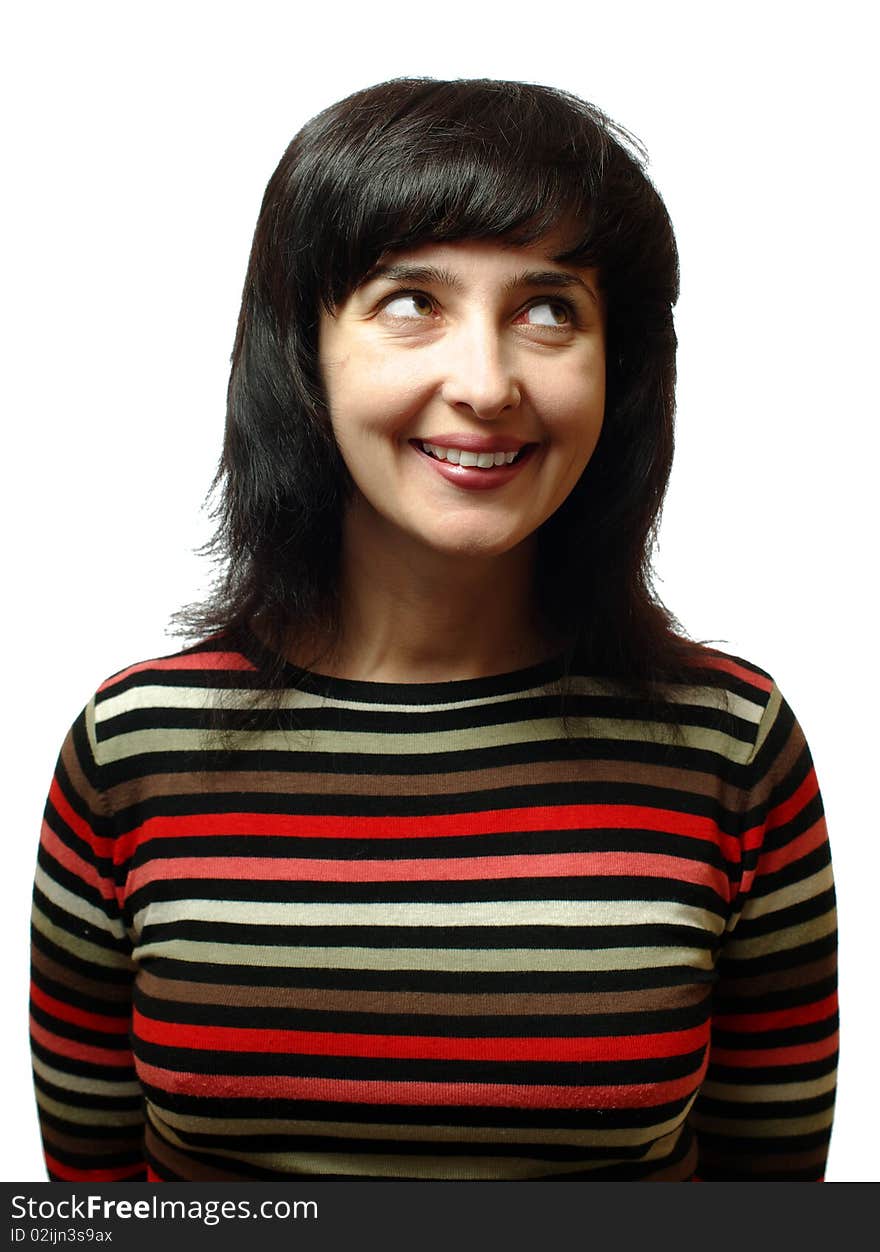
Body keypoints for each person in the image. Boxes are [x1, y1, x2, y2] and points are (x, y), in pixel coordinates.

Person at [30, 77, 838, 1183]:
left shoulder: (733, 749)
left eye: (549, 309)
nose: (485, 384)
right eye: (411, 301)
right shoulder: (134, 748)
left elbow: (773, 1202)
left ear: (623, 369)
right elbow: (95, 1204)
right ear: (301, 347)